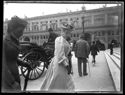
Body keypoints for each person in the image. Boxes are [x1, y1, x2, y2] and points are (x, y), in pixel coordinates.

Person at [40, 23, 75, 92]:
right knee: (58, 82)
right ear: (65, 31)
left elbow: (66, 53)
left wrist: (69, 62)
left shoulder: (66, 40)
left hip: (64, 63)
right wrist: (67, 65)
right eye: (69, 32)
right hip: (59, 64)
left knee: (68, 83)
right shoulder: (58, 39)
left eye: (70, 32)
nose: (70, 33)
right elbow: (60, 54)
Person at [2, 16, 28, 92]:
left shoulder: (15, 40)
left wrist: (24, 63)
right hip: (7, 80)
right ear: (12, 29)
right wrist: (12, 83)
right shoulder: (4, 41)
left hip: (15, 75)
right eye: (20, 31)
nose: (22, 34)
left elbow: (12, 58)